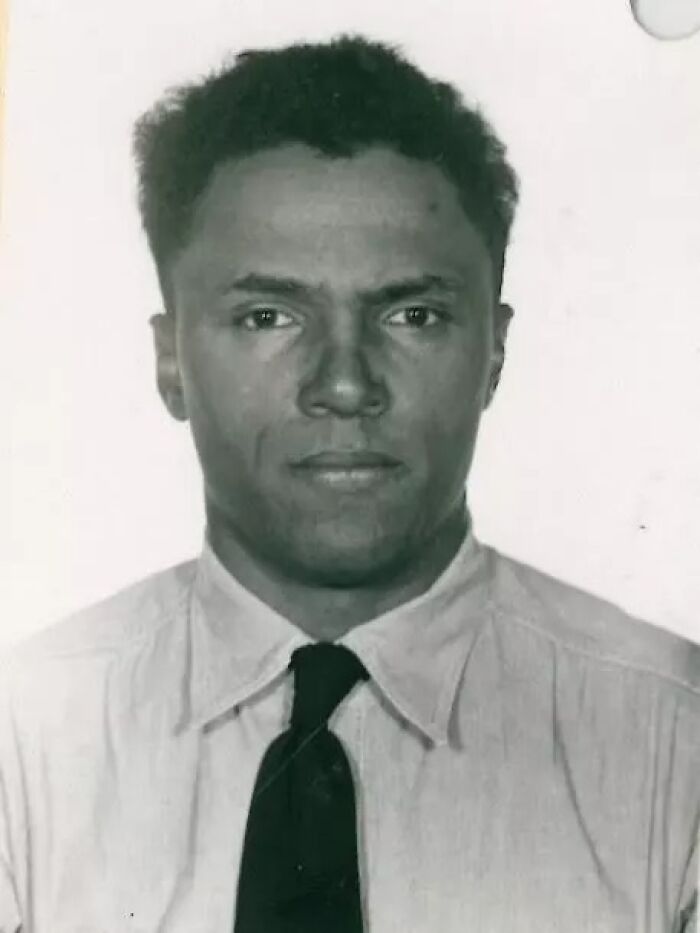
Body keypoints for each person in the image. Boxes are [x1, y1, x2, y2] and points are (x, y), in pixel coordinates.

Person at [0, 35, 698, 933]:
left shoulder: (675, 748)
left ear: (494, 350)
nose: (344, 382)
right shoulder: (22, 745)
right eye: (267, 315)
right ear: (171, 359)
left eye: (413, 314)